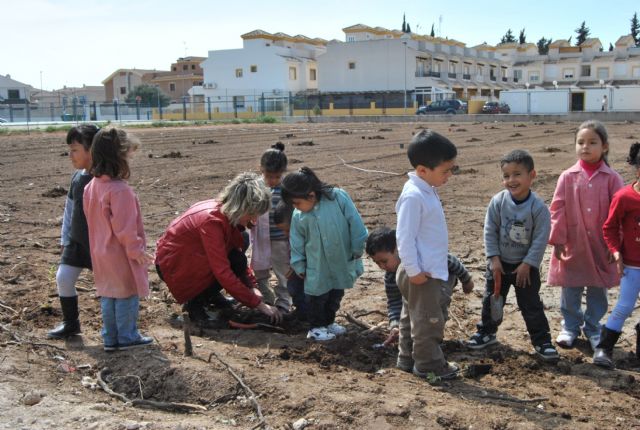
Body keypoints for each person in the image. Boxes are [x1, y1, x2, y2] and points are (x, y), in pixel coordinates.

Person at [466, 149, 559, 362]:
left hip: (525, 268)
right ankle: (486, 332)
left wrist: (528, 264)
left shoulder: (538, 208)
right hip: (499, 265)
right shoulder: (498, 202)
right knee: (492, 301)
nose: (511, 180)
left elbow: (540, 239)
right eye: (506, 175)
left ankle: (542, 341)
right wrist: (494, 260)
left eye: (517, 174)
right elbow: (490, 231)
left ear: (532, 175)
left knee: (531, 305)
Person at [155, 172, 282, 325]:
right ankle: (195, 303)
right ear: (241, 207)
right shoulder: (212, 221)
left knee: (241, 246)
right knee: (226, 264)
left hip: (189, 259)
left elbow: (237, 258)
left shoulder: (225, 212)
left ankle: (211, 296)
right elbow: (221, 270)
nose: (253, 220)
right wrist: (258, 304)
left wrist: (251, 286)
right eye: (251, 214)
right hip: (174, 267)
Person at [548, 120, 624, 350]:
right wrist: (558, 239)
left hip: (601, 245)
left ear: (605, 147)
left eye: (592, 142)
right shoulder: (567, 176)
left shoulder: (612, 178)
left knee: (597, 289)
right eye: (581, 142)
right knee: (570, 288)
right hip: (574, 243)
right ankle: (570, 326)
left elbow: (620, 212)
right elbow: (557, 208)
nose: (585, 147)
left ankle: (593, 327)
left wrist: (616, 245)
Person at [395, 129, 460, 380]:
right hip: (421, 272)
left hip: (422, 269)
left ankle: (407, 358)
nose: (449, 175)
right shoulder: (413, 196)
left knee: (412, 316)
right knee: (428, 321)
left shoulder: (425, 189)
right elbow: (404, 237)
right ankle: (429, 365)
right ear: (423, 170)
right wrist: (414, 271)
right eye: (446, 171)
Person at [83, 128, 154, 351]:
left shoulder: (91, 187)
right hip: (120, 253)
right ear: (119, 156)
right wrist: (137, 252)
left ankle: (110, 337)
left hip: (100, 252)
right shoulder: (119, 191)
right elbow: (125, 228)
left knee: (108, 293)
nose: (130, 160)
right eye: (129, 155)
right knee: (126, 293)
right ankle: (127, 336)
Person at [281, 167, 368, 341]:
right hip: (316, 265)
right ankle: (316, 328)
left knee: (335, 294)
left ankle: (329, 322)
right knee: (316, 298)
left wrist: (358, 249)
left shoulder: (338, 198)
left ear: (311, 195)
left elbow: (356, 224)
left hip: (341, 260)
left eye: (297, 202)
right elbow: (296, 242)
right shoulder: (299, 216)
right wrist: (299, 264)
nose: (295, 207)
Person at [365, 227, 474, 346]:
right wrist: (395, 325)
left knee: (433, 312)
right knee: (415, 312)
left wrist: (466, 280)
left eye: (384, 261)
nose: (382, 266)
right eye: (377, 263)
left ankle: (434, 336)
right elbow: (394, 302)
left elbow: (450, 260)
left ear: (397, 249)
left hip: (442, 282)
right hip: (417, 291)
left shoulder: (421, 255)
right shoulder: (391, 276)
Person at [48, 124, 100, 339]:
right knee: (63, 278)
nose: (70, 155)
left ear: (92, 150)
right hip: (76, 242)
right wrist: (65, 238)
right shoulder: (77, 178)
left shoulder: (104, 179)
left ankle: (117, 326)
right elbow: (69, 210)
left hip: (100, 245)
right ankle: (71, 323)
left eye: (75, 149)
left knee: (110, 286)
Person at [593, 142, 640, 368]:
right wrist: (616, 251)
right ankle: (604, 348)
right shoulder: (625, 197)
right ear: (636, 167)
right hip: (632, 266)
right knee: (624, 306)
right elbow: (609, 227)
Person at [249, 143, 292, 313]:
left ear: (282, 173)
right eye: (268, 176)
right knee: (260, 270)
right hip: (260, 237)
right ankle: (266, 298)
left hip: (280, 239)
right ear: (261, 169)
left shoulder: (286, 189)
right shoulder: (256, 186)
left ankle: (283, 303)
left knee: (283, 272)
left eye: (276, 177)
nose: (272, 180)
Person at [272, 200, 307, 321]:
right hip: (299, 269)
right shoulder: (293, 237)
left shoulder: (307, 233)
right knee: (292, 284)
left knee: (297, 287)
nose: (285, 234)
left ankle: (307, 313)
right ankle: (302, 312)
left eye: (287, 230)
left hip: (311, 271)